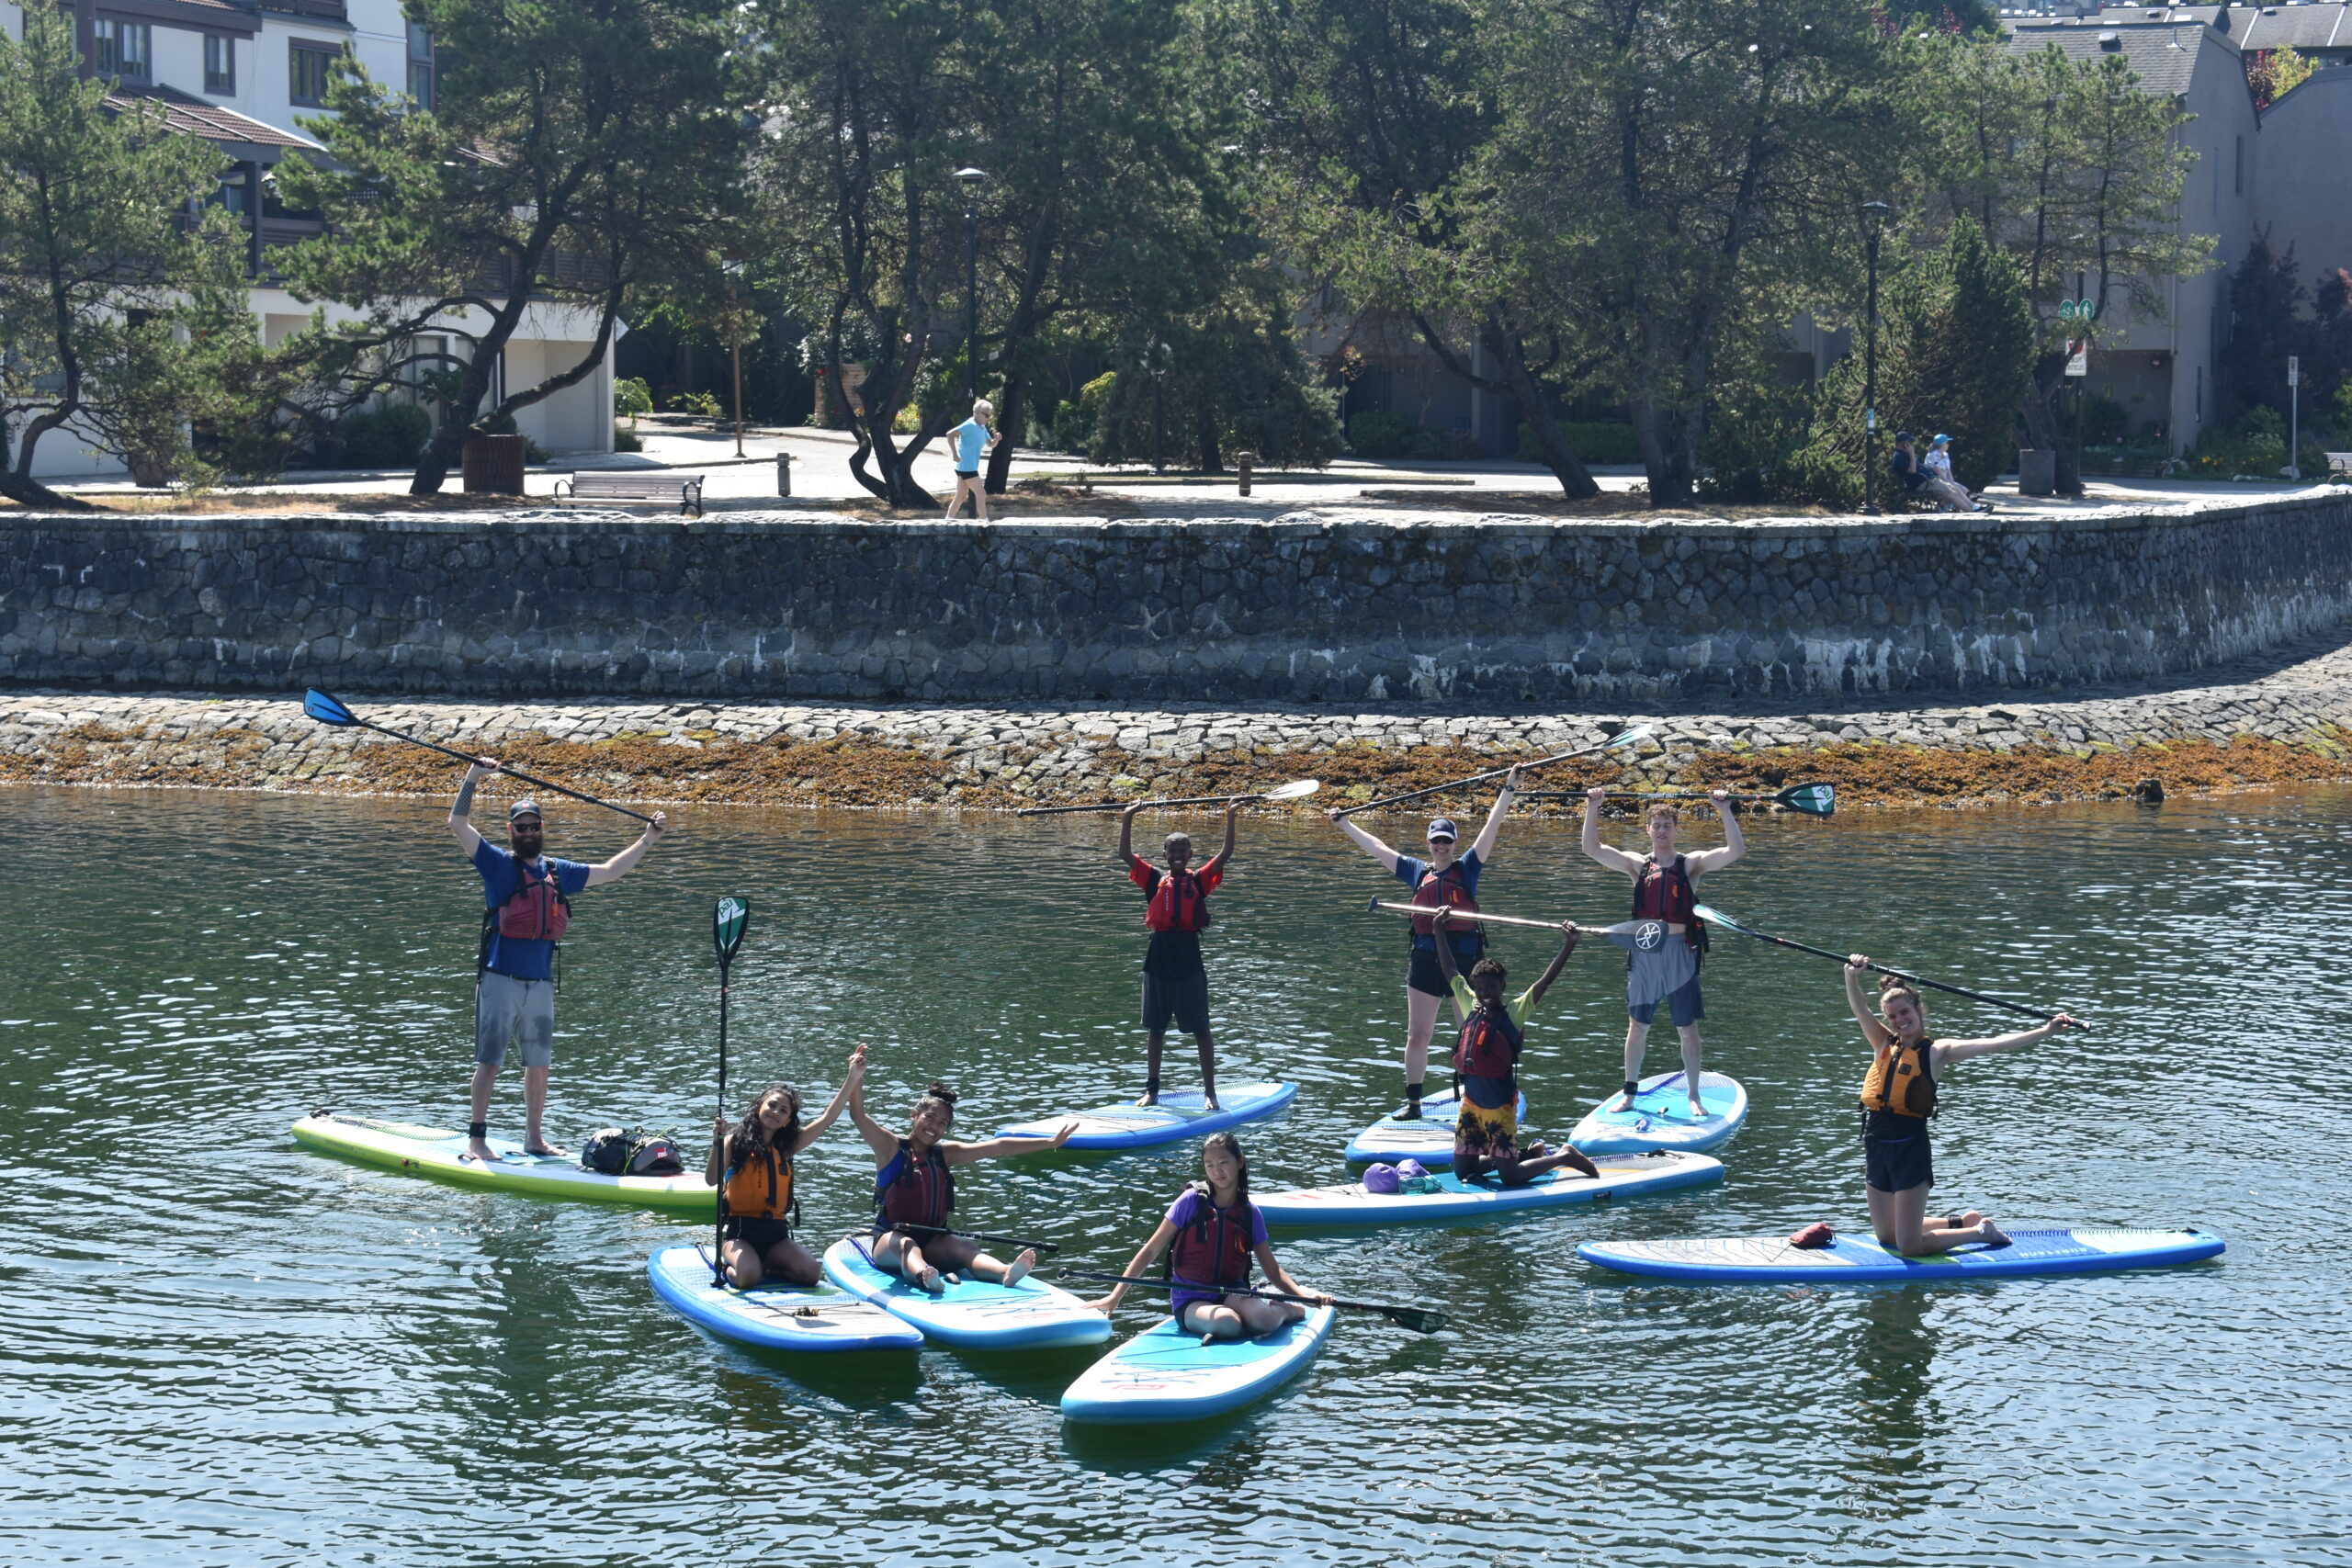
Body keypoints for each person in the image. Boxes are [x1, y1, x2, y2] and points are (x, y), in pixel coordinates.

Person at [448, 761, 665, 1163]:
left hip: (541, 983)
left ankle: (535, 1138)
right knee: (490, 1061)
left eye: (535, 826)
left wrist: (647, 839)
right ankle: (477, 1139)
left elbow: (611, 870)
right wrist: (472, 779)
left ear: (542, 830)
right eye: (521, 826)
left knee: (539, 1064)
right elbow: (458, 824)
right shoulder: (496, 864)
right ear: (510, 831)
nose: (528, 832)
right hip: (499, 979)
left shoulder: (557, 872)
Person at [1843, 956, 2077, 1255]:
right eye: (1892, 1016)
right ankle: (1960, 1222)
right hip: (1876, 1143)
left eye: (1905, 1012)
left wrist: (2045, 1031)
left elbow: (1995, 1042)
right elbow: (1859, 1009)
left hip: (1909, 1147)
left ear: (1918, 1009)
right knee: (1887, 1236)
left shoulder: (1939, 1051)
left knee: (1909, 1246)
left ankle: (1980, 1232)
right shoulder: (1882, 1043)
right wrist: (1850, 975)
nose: (1900, 1020)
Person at [1329, 766, 1524, 1120]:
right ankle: (1414, 1104)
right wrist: (1344, 824)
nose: (1441, 847)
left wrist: (1509, 788)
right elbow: (1377, 848)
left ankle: (1476, 1100)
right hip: (1424, 961)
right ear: (1429, 844)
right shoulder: (1416, 871)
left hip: (1464, 965)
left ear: (1454, 844)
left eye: (1447, 842)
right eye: (1436, 841)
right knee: (1417, 1035)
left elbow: (1491, 827)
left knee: (1471, 1032)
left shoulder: (1468, 868)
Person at [1579, 787, 1744, 1118]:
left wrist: (1724, 809)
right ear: (1648, 830)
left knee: (1687, 1028)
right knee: (1637, 1026)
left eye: (1668, 824)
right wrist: (1592, 806)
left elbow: (1735, 851)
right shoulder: (1636, 865)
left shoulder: (1690, 865)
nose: (1662, 830)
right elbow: (1591, 848)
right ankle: (1629, 1093)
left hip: (1680, 954)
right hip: (1645, 954)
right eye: (1657, 825)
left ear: (1676, 829)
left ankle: (1694, 1095)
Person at [1086, 1131, 1330, 1342]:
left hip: (1233, 1291)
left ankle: (1286, 1310)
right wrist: (1115, 1296)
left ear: (1240, 1162)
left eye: (1223, 1162)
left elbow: (1272, 1270)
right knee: (1228, 1323)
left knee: (1264, 1320)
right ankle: (1220, 1324)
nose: (1217, 1170)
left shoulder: (1249, 1213)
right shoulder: (1190, 1202)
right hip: (1190, 1299)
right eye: (1209, 1164)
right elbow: (1151, 1250)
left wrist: (1305, 1297)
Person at [848, 1076, 1074, 1295]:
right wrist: (856, 1076)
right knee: (907, 1245)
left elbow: (998, 1146)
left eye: (942, 1123)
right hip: (890, 1240)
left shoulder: (946, 1154)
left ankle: (1005, 1272)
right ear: (914, 1115)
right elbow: (858, 1115)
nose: (934, 1126)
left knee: (966, 1249)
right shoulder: (891, 1148)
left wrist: (1049, 1142)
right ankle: (923, 1275)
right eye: (929, 1117)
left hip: (933, 1240)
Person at [1430, 908, 1600, 1187]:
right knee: (1463, 1171)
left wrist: (1569, 944)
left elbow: (1544, 982)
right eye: (1480, 988)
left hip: (1500, 1107)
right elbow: (1449, 969)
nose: (1485, 994)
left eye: (1491, 988)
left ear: (1502, 987)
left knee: (1510, 1178)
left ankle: (1564, 1157)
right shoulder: (1470, 1004)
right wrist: (1438, 927)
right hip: (1471, 1106)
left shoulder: (1514, 1013)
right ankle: (1526, 1154)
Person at [706, 1045, 867, 1289]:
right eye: (772, 1105)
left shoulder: (787, 1148)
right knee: (748, 1277)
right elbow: (711, 1180)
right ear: (759, 1105)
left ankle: (767, 1267)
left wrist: (853, 1076)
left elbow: (828, 1119)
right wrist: (717, 1142)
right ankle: (733, 1267)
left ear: (788, 1121)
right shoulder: (734, 1141)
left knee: (811, 1272)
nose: (776, 1112)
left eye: (783, 1111)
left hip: (776, 1236)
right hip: (740, 1233)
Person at [1119, 795, 1244, 1109]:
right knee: (1155, 1029)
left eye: (1182, 849)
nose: (1177, 854)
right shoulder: (1153, 880)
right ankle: (1152, 1090)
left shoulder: (1199, 881)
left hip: (1189, 960)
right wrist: (1128, 816)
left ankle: (1210, 1093)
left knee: (1201, 1029)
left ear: (1190, 854)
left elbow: (1225, 853)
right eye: (1172, 850)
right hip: (1158, 959)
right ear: (1164, 854)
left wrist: (1230, 815)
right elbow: (1124, 854)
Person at [944, 399, 995, 520]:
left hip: (966, 467)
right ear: (977, 413)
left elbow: (990, 444)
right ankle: (984, 522)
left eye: (990, 415)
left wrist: (996, 440)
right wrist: (954, 454)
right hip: (967, 466)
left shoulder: (982, 427)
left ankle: (948, 520)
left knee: (961, 495)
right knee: (981, 494)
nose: (988, 418)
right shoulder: (970, 425)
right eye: (986, 415)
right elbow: (950, 434)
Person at [1921, 434, 1992, 513]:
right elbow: (1938, 472)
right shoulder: (1932, 456)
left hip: (1946, 480)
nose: (1948, 444)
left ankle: (1942, 505)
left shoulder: (1945, 455)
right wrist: (1949, 483)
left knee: (1964, 490)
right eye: (1947, 443)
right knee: (1956, 489)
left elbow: (1948, 471)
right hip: (1938, 481)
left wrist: (1952, 482)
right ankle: (1973, 507)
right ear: (1942, 444)